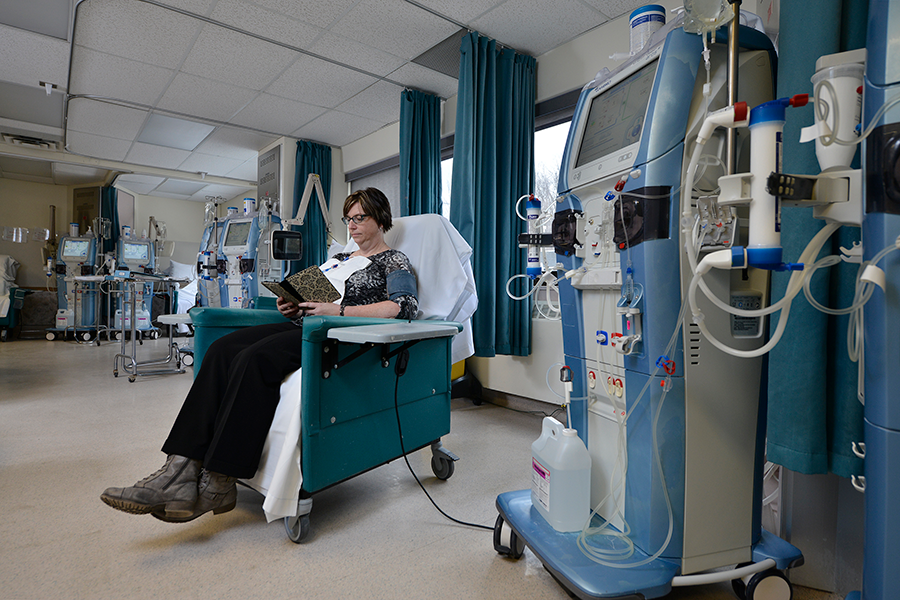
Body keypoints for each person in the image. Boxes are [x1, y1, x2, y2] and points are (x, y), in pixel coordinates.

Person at [101, 188, 418, 522]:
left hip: (339, 334)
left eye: (359, 218)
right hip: (307, 325)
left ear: (380, 219)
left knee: (255, 359)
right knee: (222, 350)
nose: (352, 226)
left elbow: (403, 306)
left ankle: (220, 480)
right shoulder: (337, 259)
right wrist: (292, 306)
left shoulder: (393, 260)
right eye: (348, 219)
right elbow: (312, 302)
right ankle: (178, 469)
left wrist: (339, 310)